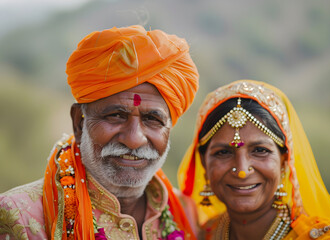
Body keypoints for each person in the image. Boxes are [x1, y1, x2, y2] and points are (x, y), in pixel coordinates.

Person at [0, 25, 199, 240]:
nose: (133, 140)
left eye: (153, 119)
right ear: (78, 123)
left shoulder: (187, 213)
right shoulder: (19, 216)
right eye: (115, 115)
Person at [178, 80, 330, 239]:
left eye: (259, 150)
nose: (242, 170)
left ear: (284, 160)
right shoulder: (199, 235)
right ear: (203, 161)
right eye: (223, 153)